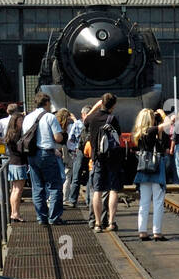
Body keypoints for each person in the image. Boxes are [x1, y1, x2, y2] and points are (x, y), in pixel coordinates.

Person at [23, 94, 66, 226]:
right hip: (46, 153)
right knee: (55, 186)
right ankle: (54, 217)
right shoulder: (49, 117)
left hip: (31, 154)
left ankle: (41, 218)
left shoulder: (28, 117)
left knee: (37, 188)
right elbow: (58, 138)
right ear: (46, 103)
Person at [85, 93, 124, 232]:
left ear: (101, 103)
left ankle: (97, 223)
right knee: (113, 190)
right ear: (113, 105)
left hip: (97, 159)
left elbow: (85, 120)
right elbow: (118, 136)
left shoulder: (92, 118)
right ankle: (111, 222)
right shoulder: (112, 119)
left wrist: (96, 106)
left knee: (97, 191)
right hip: (112, 159)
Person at [132, 109, 169, 240]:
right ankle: (157, 232)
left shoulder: (139, 133)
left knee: (144, 202)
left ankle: (142, 231)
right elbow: (168, 124)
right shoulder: (152, 130)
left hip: (143, 169)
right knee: (158, 201)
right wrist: (163, 115)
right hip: (156, 168)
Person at [1, 104, 28, 223]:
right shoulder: (18, 135)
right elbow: (21, 149)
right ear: (16, 121)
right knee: (18, 189)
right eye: (21, 120)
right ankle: (16, 213)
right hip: (19, 163)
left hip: (12, 162)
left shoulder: (9, 134)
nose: (22, 122)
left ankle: (13, 212)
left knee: (14, 189)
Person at [63, 106, 87, 207]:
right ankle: (89, 201)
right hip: (90, 151)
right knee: (89, 176)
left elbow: (71, 138)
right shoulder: (93, 121)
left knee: (75, 176)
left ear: (83, 114)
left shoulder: (77, 123)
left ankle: (72, 200)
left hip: (79, 151)